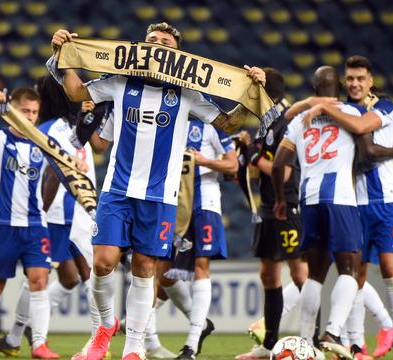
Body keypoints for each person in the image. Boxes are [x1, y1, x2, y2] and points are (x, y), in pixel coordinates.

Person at [50, 22, 265, 360]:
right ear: (141, 48)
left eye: (165, 43)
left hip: (161, 195)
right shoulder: (121, 82)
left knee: (144, 269)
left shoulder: (187, 94)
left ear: (176, 55)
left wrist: (250, 90)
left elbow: (229, 124)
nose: (158, 46)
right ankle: (105, 327)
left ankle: (134, 348)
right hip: (118, 189)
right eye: (152, 41)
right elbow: (76, 92)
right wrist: (62, 54)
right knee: (103, 262)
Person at [297, 56, 393, 360]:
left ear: (371, 80)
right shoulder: (343, 108)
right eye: (350, 79)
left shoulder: (384, 105)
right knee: (355, 274)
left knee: (390, 269)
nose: (355, 84)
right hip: (355, 200)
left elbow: (363, 128)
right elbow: (368, 150)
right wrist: (323, 106)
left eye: (361, 78)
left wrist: (322, 107)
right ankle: (356, 344)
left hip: (387, 200)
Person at [0, 76, 100, 359]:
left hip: (64, 213)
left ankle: (19, 334)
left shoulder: (51, 129)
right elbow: (63, 171)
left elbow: (56, 171)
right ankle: (23, 334)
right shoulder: (70, 128)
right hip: (70, 213)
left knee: (66, 276)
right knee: (69, 277)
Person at [272, 66, 363, 360]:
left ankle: (306, 339)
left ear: (314, 89)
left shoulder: (300, 119)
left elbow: (277, 164)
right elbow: (367, 147)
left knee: (315, 275)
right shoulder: (352, 113)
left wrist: (279, 199)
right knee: (349, 267)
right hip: (341, 199)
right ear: (339, 87)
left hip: (309, 198)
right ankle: (333, 332)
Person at [0, 88, 57, 360]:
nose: (31, 117)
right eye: (25, 111)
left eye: (35, 112)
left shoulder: (44, 142)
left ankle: (39, 344)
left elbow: (61, 170)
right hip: (1, 224)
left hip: (36, 224)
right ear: (13, 110)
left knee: (40, 280)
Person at [235, 68, 310, 360]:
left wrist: (253, 154)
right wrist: (246, 154)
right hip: (268, 206)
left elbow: (286, 171)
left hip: (287, 204)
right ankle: (268, 345)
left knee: (300, 272)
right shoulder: (267, 124)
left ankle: (314, 338)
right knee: (268, 274)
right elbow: (258, 168)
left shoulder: (286, 122)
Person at [155, 116, 239, 360]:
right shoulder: (169, 120)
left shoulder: (213, 126)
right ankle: (200, 323)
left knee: (201, 265)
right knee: (165, 272)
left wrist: (204, 161)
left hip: (205, 202)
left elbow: (232, 166)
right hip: (175, 201)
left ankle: (191, 346)